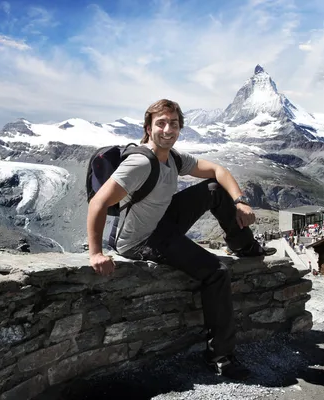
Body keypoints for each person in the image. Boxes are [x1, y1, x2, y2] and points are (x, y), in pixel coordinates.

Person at [87, 99, 276, 381]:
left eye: (173, 124)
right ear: (148, 128)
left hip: (161, 222)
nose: (167, 129)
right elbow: (98, 203)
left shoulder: (172, 158)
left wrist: (240, 201)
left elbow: (217, 171)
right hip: (142, 240)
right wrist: (95, 253)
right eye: (160, 123)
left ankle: (245, 246)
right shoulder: (140, 162)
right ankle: (220, 357)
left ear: (179, 127)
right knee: (217, 273)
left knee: (214, 189)